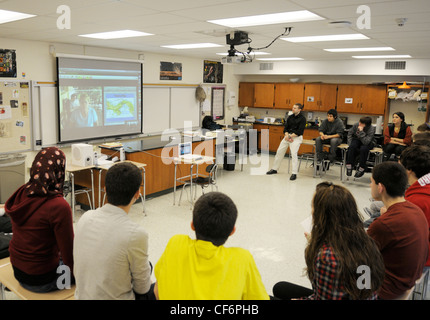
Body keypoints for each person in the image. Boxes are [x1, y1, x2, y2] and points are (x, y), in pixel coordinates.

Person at [272, 182, 385, 300]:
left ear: (322, 215)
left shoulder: (326, 257)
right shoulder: (367, 242)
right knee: (280, 288)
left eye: (313, 206)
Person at [154, 192, 269, 300]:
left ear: (192, 225)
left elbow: (157, 291)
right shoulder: (242, 259)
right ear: (232, 231)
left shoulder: (176, 243)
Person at [73, 162, 153, 300]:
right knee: (154, 282)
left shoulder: (85, 217)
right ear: (137, 193)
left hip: (82, 296)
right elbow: (142, 288)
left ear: (105, 189)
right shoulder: (136, 234)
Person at [4, 147, 74, 293]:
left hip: (18, 269)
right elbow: (68, 253)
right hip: (42, 279)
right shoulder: (59, 206)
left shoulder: (23, 192)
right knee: (88, 265)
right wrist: (76, 275)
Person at [367, 162, 429, 300]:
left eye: (371, 182)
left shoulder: (383, 225)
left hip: (388, 289)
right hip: (408, 279)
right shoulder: (416, 210)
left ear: (380, 187)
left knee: (346, 269)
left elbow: (360, 259)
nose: (370, 186)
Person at [399, 145, 430, 269]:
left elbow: (403, 234)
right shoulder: (422, 189)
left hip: (420, 256)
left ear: (409, 170)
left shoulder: (416, 200)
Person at [266, 103, 306, 180]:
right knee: (279, 152)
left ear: (299, 110)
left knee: (294, 154)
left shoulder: (302, 119)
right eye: (293, 107)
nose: (293, 109)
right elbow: (285, 128)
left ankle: (294, 173)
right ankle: (274, 169)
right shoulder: (290, 117)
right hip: (287, 136)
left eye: (295, 108)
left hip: (296, 137)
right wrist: (287, 135)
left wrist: (290, 136)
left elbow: (300, 132)